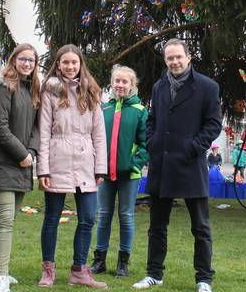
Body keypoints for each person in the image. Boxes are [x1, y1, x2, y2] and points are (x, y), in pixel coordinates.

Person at [133, 39, 222, 292]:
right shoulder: (160, 86)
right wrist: (151, 142)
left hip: (191, 164)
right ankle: (154, 274)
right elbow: (151, 120)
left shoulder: (207, 87)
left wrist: (193, 147)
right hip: (161, 164)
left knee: (201, 227)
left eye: (178, 57)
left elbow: (213, 124)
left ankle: (204, 278)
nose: (174, 62)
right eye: (169, 58)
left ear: (188, 57)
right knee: (157, 226)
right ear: (165, 60)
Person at [37, 44, 107, 289]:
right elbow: (44, 133)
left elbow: (99, 134)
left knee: (88, 218)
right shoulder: (50, 92)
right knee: (52, 219)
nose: (70, 66)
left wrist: (101, 168)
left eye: (74, 62)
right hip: (57, 160)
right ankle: (48, 269)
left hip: (86, 162)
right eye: (65, 62)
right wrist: (43, 169)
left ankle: (79, 269)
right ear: (58, 65)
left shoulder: (92, 92)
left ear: (80, 64)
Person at [0, 44, 42, 292]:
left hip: (23, 163)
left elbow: (36, 128)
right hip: (5, 163)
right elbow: (0, 128)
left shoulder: (31, 90)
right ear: (14, 60)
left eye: (32, 60)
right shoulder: (3, 88)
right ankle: (1, 278)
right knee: (5, 220)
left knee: (8, 218)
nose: (27, 63)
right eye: (23, 59)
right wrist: (21, 154)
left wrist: (32, 153)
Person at [90, 65, 148, 278]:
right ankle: (99, 260)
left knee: (126, 216)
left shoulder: (140, 111)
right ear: (112, 84)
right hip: (104, 174)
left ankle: (123, 262)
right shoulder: (103, 109)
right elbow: (95, 139)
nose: (120, 85)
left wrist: (134, 164)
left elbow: (145, 144)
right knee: (103, 215)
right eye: (117, 81)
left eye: (125, 82)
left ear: (132, 85)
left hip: (129, 175)